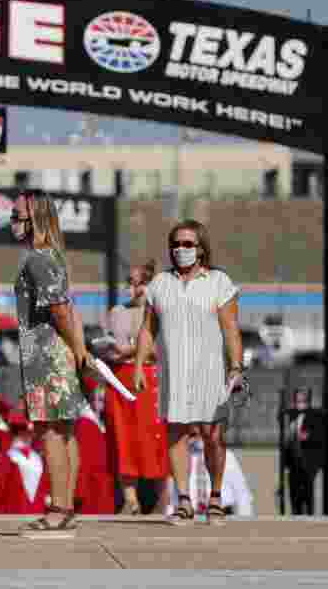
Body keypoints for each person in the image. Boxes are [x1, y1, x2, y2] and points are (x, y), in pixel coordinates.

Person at [134, 219, 244, 526]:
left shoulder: (219, 281)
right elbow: (147, 329)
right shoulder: (159, 284)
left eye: (187, 244)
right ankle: (183, 500)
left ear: (201, 248)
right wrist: (141, 365)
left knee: (213, 436)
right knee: (176, 433)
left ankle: (216, 497)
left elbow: (231, 329)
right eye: (176, 244)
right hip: (173, 371)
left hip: (211, 370)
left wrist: (236, 366)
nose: (180, 249)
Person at [9, 189, 92, 535]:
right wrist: (80, 350)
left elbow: (59, 311)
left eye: (17, 216)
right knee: (66, 431)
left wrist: (77, 348)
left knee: (50, 433)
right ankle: (67, 505)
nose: (11, 222)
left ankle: (58, 508)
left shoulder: (37, 258)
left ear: (35, 219)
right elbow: (68, 308)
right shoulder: (52, 255)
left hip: (46, 356)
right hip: (59, 354)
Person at [98, 260, 168, 515]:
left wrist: (131, 350)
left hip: (149, 380)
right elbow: (110, 346)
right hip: (120, 378)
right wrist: (113, 351)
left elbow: (159, 349)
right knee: (122, 437)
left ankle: (163, 496)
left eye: (138, 284)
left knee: (155, 437)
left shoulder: (161, 312)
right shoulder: (118, 312)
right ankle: (130, 498)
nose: (132, 290)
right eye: (129, 284)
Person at [166, 430, 254, 517]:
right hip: (189, 515)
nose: (196, 437)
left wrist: (245, 518)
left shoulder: (227, 456)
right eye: (193, 434)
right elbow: (171, 496)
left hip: (223, 513)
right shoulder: (178, 457)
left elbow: (242, 495)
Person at [73, 381, 116, 514]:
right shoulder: (87, 423)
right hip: (96, 490)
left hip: (97, 490)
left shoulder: (91, 424)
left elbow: (83, 465)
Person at [283, 388, 325, 515]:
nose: (299, 403)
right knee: (295, 496)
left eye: (302, 400)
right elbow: (287, 440)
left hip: (309, 463)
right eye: (297, 400)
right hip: (294, 464)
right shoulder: (291, 416)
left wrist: (308, 436)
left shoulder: (314, 415)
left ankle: (310, 518)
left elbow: (319, 436)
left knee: (308, 496)